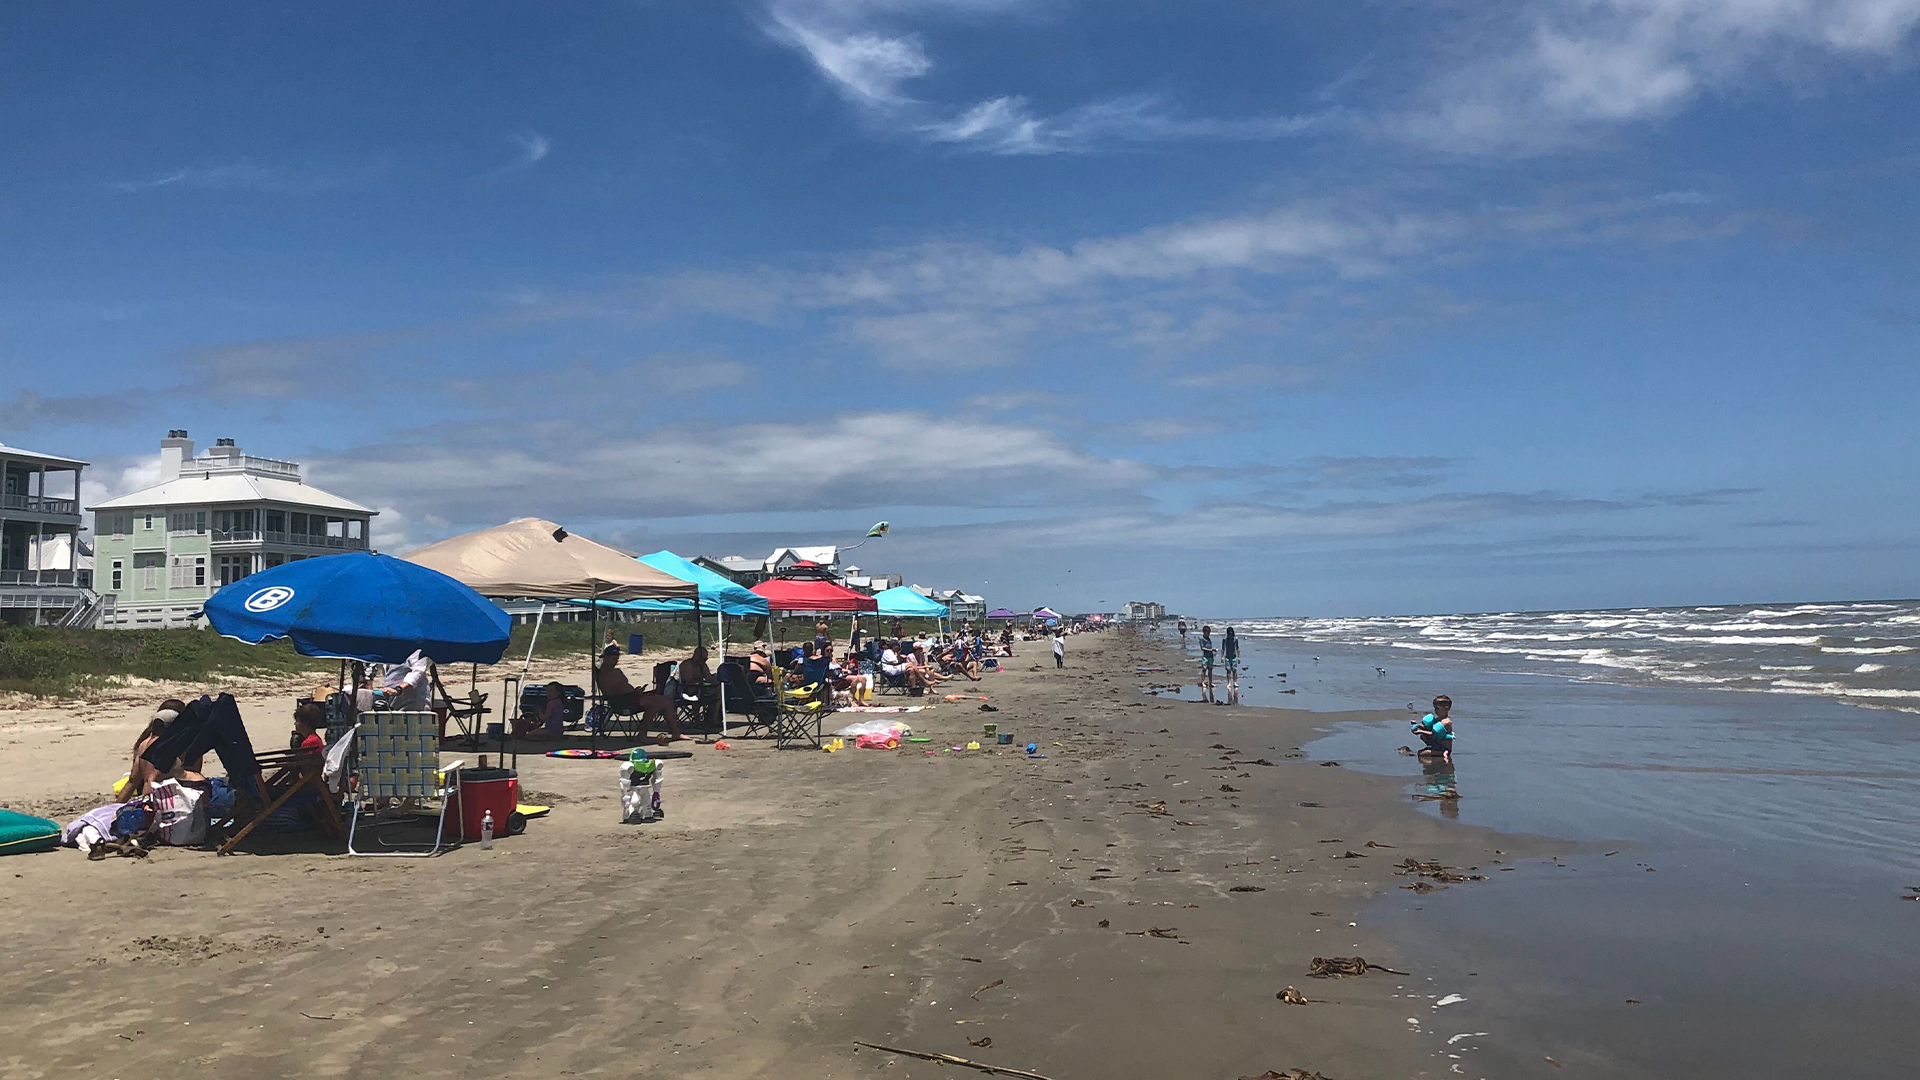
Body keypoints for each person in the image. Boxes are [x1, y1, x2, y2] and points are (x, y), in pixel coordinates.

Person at [597, 644, 682, 741]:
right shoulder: (604, 675)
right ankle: (646, 733)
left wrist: (635, 692)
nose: (615, 662)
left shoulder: (616, 671)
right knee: (661, 702)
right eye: (613, 659)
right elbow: (611, 692)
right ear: (606, 658)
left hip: (632, 697)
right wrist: (631, 693)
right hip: (622, 702)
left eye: (617, 659)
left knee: (664, 702)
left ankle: (649, 733)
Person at [1413, 695, 1455, 762]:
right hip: (1437, 744)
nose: (1435, 711)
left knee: (1421, 753)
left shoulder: (1446, 722)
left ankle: (1442, 753)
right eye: (1435, 708)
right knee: (1423, 736)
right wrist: (1418, 726)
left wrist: (1420, 731)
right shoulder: (1438, 719)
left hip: (1444, 747)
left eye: (1437, 708)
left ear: (1446, 708)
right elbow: (1430, 729)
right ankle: (1433, 749)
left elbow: (1433, 734)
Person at [1222, 627, 1241, 694]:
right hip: (1227, 657)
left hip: (1234, 657)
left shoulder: (1235, 640)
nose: (1230, 635)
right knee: (1228, 670)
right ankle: (1229, 682)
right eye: (1229, 634)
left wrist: (1239, 657)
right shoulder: (1225, 640)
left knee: (1234, 670)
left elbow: (1237, 648)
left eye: (1231, 633)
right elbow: (1223, 648)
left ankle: (1235, 682)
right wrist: (1222, 657)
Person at [1199, 630, 1216, 700]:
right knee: (1204, 669)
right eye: (1207, 632)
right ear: (1204, 632)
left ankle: (1210, 682)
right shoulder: (1202, 639)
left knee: (1210, 669)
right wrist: (1210, 650)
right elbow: (1202, 648)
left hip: (1210, 656)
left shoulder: (1209, 639)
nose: (1208, 634)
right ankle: (1202, 682)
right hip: (1205, 656)